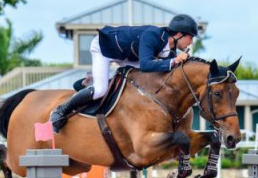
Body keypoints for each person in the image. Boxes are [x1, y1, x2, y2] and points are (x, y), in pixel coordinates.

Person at [50, 13, 199, 133]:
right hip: (105, 49)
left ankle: (90, 80)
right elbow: (147, 65)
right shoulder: (153, 35)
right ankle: (62, 110)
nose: (191, 42)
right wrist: (174, 62)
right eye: (190, 37)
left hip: (127, 57)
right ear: (179, 34)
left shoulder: (170, 50)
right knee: (100, 90)